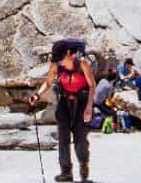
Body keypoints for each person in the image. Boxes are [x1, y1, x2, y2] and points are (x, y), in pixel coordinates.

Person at [51, 42, 94, 181]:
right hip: (64, 102)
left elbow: (92, 85)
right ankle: (66, 172)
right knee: (63, 139)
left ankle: (83, 163)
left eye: (60, 58)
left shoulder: (82, 64)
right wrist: (36, 96)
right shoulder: (57, 65)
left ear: (68, 53)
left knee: (80, 139)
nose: (58, 61)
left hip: (81, 102)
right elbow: (47, 82)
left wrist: (88, 107)